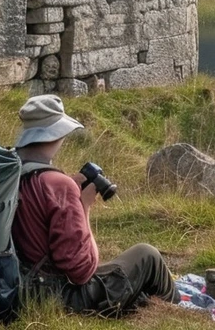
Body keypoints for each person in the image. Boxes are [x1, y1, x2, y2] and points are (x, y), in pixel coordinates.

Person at [11, 95, 179, 317]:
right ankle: (174, 312)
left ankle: (150, 306)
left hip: (16, 284)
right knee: (147, 255)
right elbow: (82, 271)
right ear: (58, 134)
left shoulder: (11, 170)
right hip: (55, 296)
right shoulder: (58, 185)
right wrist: (83, 206)